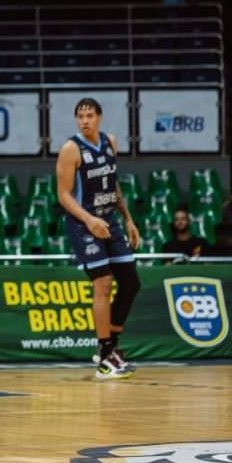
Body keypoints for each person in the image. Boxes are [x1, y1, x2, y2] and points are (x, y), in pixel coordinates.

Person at [55, 97, 143, 380]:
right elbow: (63, 195)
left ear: (100, 117)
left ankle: (111, 348)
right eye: (80, 116)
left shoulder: (110, 142)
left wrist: (128, 218)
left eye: (90, 115)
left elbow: (111, 182)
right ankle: (105, 356)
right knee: (103, 283)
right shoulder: (71, 149)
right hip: (83, 225)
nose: (84, 120)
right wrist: (89, 219)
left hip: (110, 220)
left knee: (130, 283)